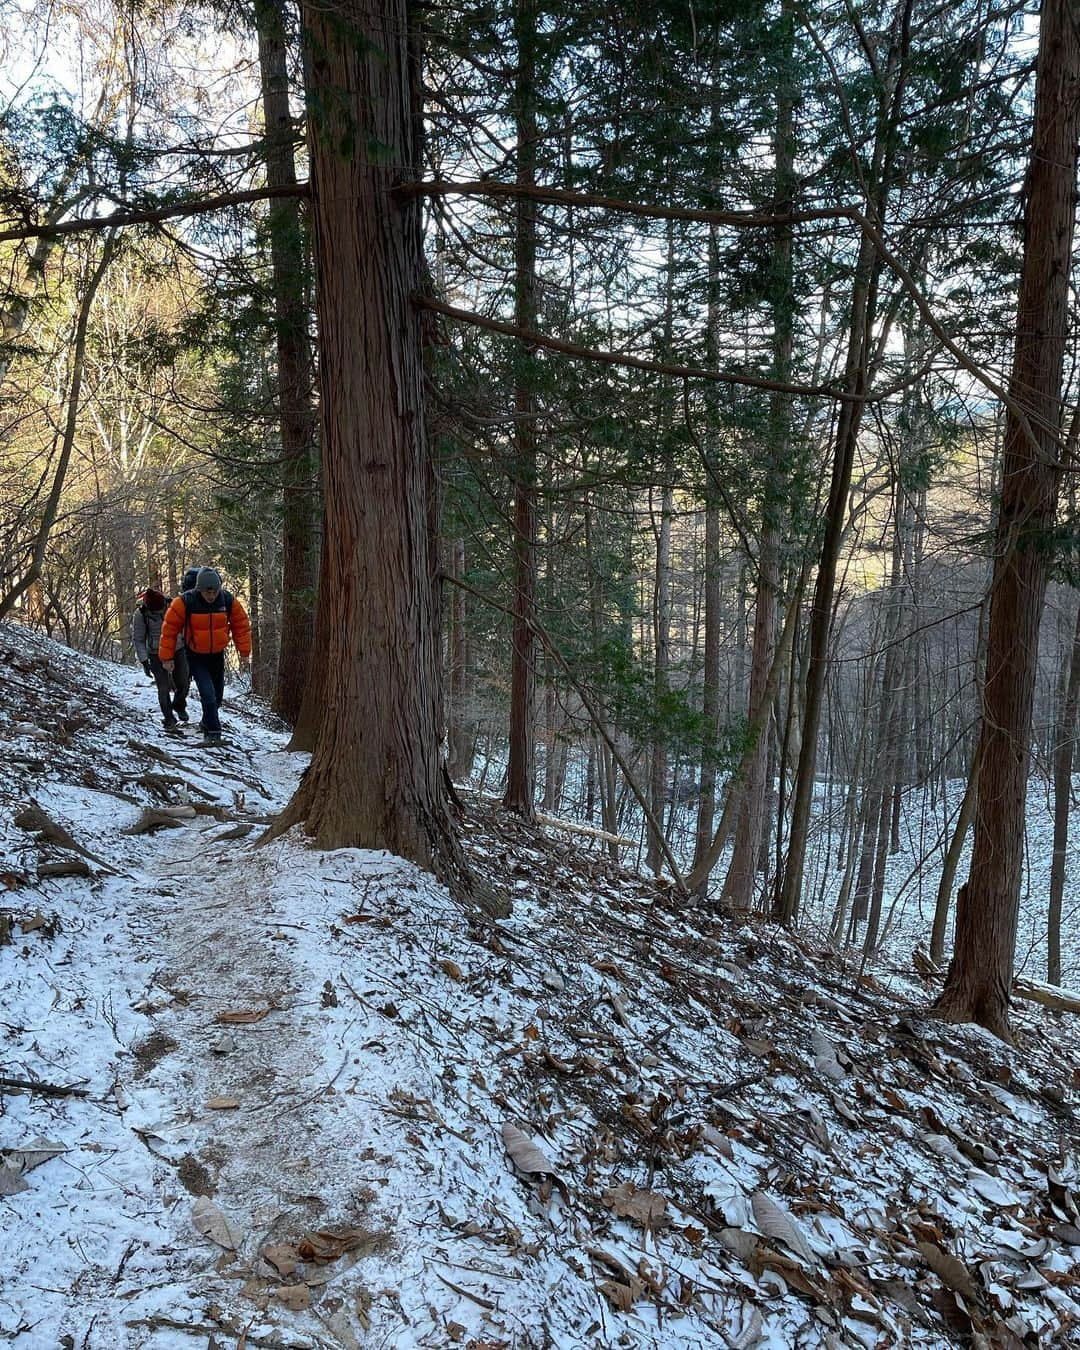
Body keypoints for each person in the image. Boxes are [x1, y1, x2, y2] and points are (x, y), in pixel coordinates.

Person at [158, 567, 251, 745]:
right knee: (207, 693)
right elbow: (169, 630)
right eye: (207, 591)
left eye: (214, 591)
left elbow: (241, 625)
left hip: (217, 654)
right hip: (195, 655)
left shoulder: (227, 600)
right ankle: (214, 732)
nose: (211, 595)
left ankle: (206, 721)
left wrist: (244, 653)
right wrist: (167, 657)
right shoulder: (185, 602)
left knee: (217, 696)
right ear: (199, 589)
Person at [132, 587, 190, 730]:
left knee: (183, 680)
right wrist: (144, 661)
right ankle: (169, 718)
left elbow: (186, 625)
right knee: (162, 687)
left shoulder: (174, 606)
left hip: (177, 649)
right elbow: (138, 639)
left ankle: (179, 704)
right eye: (154, 611)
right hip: (155, 653)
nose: (158, 613)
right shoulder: (141, 615)